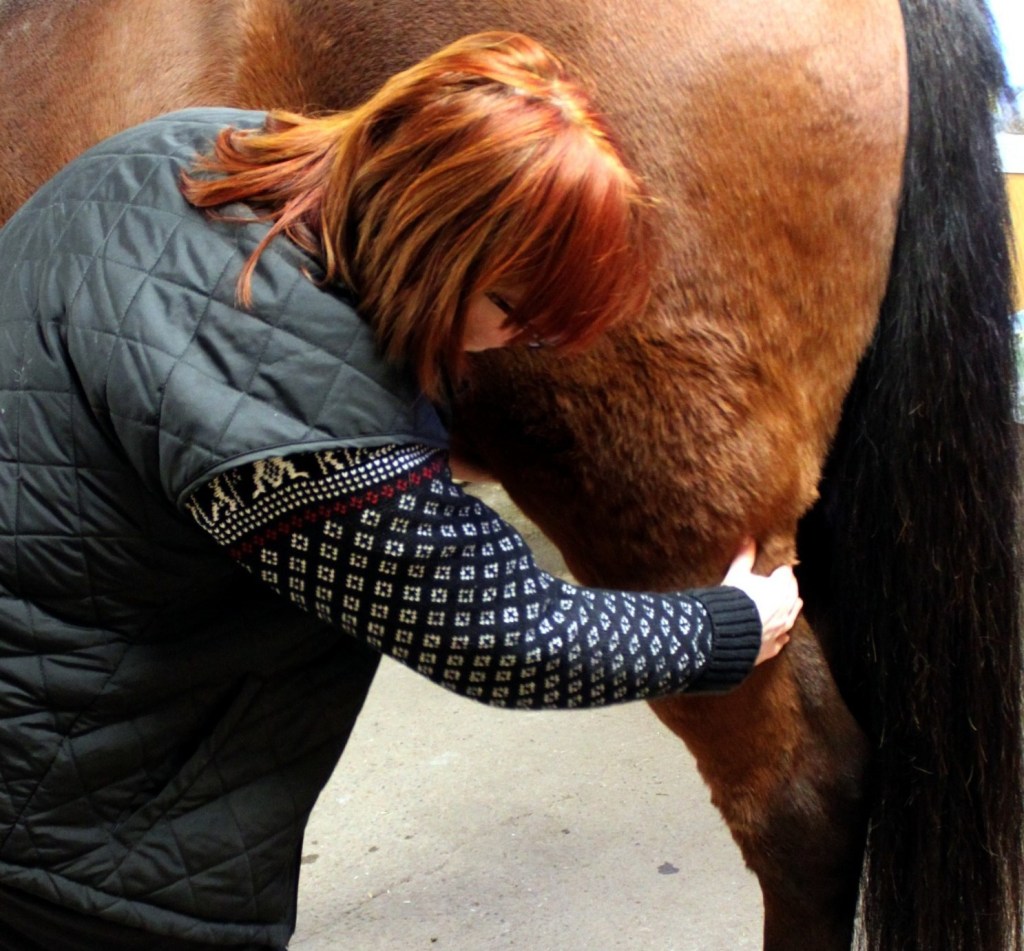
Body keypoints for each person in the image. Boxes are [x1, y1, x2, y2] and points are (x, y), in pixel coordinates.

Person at [0, 31, 800, 951]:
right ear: (440, 247)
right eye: (513, 314)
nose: (507, 345)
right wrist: (728, 627)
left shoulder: (192, 150)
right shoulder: (304, 428)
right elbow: (509, 638)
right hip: (74, 839)